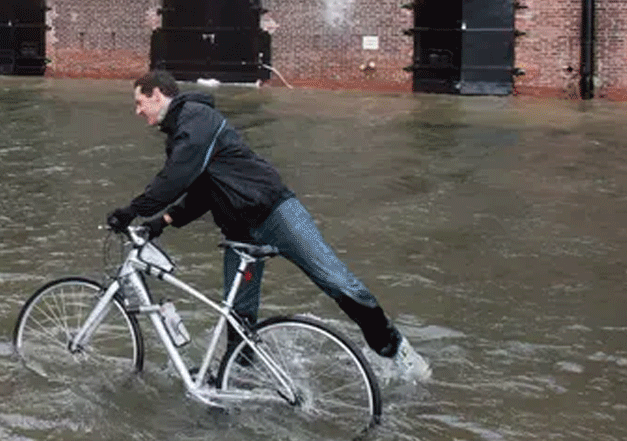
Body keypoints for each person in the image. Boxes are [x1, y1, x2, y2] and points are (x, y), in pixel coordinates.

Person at [107, 70, 430, 382]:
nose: (137, 111)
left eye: (139, 103)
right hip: (239, 233)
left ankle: (395, 350)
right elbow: (203, 191)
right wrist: (161, 222)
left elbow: (176, 177)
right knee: (238, 312)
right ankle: (239, 374)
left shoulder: (196, 118)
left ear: (158, 95)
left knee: (337, 280)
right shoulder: (181, 133)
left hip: (275, 212)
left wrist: (131, 211)